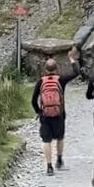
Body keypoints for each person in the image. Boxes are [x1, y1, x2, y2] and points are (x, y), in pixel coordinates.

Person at [31, 47, 81, 176]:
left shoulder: (40, 82)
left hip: (45, 115)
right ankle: (59, 160)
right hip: (59, 114)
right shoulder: (61, 80)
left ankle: (49, 167)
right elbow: (77, 72)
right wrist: (71, 59)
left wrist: (39, 111)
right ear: (56, 68)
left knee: (46, 141)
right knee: (60, 137)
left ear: (45, 69)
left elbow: (33, 100)